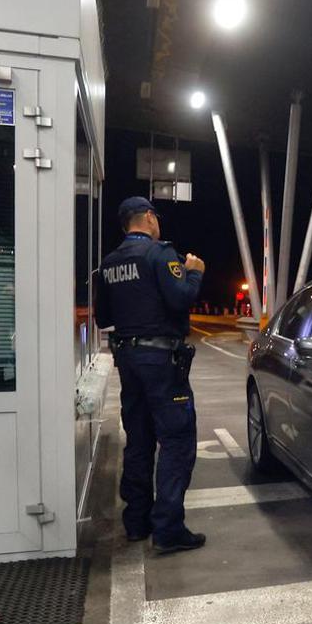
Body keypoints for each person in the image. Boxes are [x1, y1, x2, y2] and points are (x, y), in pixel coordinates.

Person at [94, 197, 207, 553]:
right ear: (147, 218)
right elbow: (181, 298)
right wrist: (194, 271)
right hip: (161, 361)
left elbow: (102, 318)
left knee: (139, 439)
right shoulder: (160, 255)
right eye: (155, 217)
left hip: (127, 359)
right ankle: (168, 529)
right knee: (176, 440)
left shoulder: (109, 264)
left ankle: (137, 522)